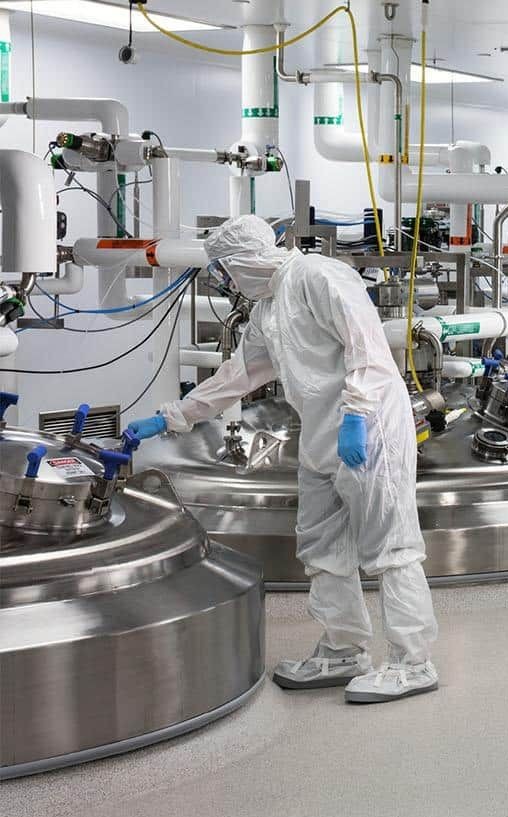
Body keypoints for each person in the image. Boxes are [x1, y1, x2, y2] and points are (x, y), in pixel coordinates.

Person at [126, 215, 439, 704]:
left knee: (390, 544)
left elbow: (368, 346)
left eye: (226, 270)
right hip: (320, 434)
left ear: (245, 259)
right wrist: (171, 418)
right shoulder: (267, 311)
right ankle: (343, 648)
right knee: (320, 543)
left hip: (370, 425)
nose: (226, 281)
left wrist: (356, 413)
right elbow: (237, 376)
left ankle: (412, 661)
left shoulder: (318, 276)